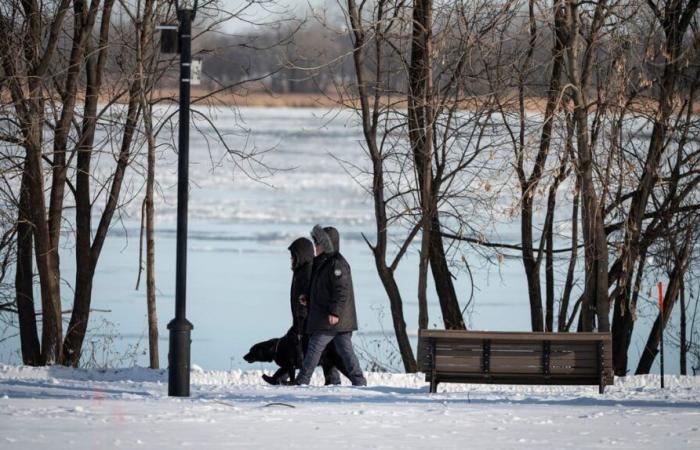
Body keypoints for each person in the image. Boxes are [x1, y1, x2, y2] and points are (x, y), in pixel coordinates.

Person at [295, 225, 367, 386]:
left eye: (318, 243)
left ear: (327, 244)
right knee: (345, 351)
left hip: (333, 320)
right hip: (331, 319)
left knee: (315, 347)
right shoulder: (323, 262)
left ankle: (302, 380)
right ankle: (359, 381)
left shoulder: (337, 264)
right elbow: (322, 290)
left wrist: (335, 312)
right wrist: (308, 299)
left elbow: (341, 291)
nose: (315, 247)